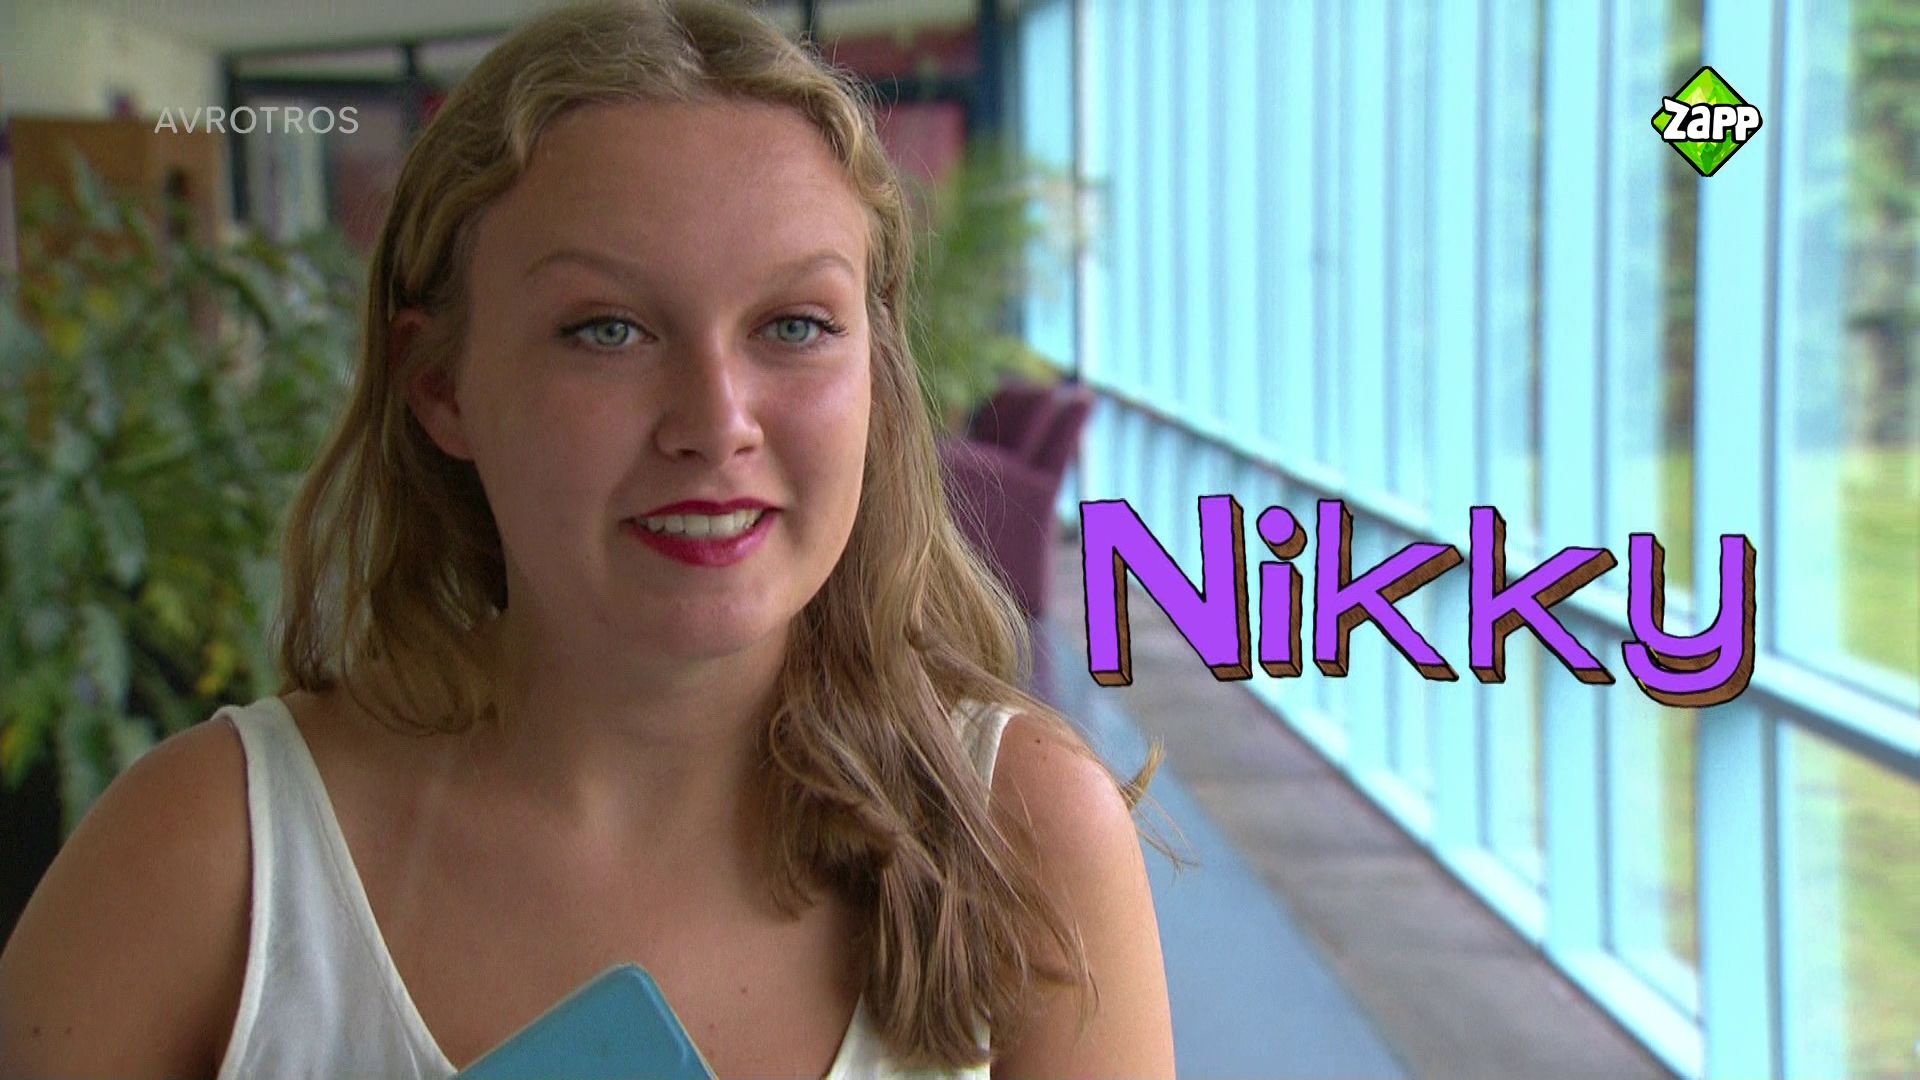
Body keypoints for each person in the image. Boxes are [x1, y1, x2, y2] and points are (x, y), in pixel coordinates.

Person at [0, 1, 1176, 1076]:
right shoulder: (212, 862)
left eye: (794, 324)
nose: (715, 420)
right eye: (606, 329)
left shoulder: (1024, 834)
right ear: (439, 384)